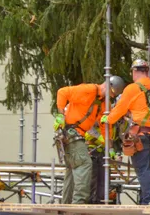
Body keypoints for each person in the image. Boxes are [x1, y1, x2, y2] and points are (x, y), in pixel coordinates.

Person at [101, 59, 150, 206]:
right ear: (147, 71)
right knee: (148, 168)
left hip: (139, 135)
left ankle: (148, 200)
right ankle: (146, 200)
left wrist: (108, 119)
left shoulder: (132, 89)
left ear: (135, 71)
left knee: (142, 169)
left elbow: (120, 109)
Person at [55, 76, 125, 204]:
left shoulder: (104, 103)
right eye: (112, 93)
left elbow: (105, 127)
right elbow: (62, 92)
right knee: (85, 163)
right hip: (71, 133)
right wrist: (60, 114)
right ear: (108, 86)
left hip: (75, 135)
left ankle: (66, 206)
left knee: (72, 170)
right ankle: (78, 205)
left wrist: (109, 147)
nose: (111, 96)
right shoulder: (88, 90)